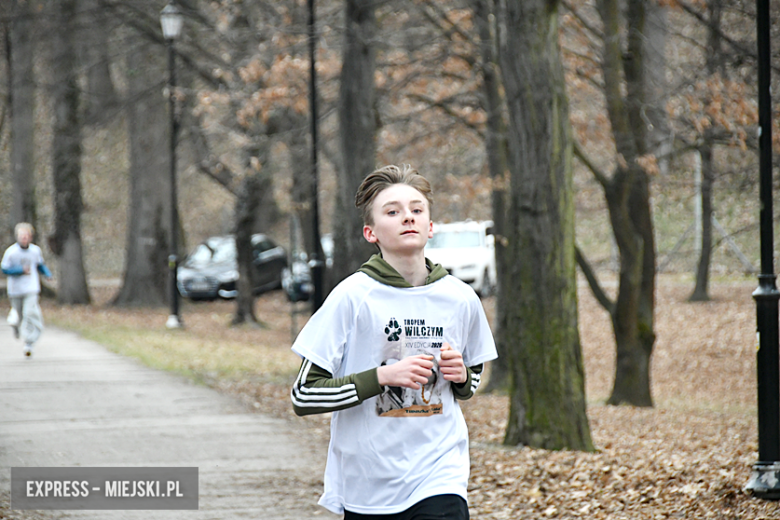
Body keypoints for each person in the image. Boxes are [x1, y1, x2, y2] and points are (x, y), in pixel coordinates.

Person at [290, 165, 497, 519]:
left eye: (417, 210)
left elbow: (472, 378)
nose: (408, 218)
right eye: (393, 211)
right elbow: (304, 395)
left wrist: (461, 376)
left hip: (440, 473)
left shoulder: (461, 298)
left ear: (430, 226)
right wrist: (383, 377)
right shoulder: (352, 297)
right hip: (370, 484)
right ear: (371, 232)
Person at [2, 223, 52, 357]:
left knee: (29, 312)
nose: (24, 238)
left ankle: (29, 342)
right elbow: (4, 269)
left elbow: (40, 265)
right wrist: (20, 270)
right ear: (17, 237)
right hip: (15, 289)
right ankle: (16, 325)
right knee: (20, 315)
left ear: (30, 237)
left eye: (26, 236)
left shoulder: (35, 251)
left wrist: (47, 274)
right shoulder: (11, 252)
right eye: (21, 236)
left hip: (31, 287)